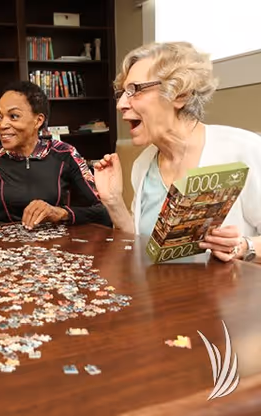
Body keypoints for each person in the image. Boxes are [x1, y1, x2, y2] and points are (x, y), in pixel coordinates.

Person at [93, 41, 261, 263]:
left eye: (134, 90)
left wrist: (244, 246)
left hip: (229, 296)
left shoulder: (244, 149)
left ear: (180, 94)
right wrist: (113, 201)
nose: (121, 104)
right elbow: (144, 247)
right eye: (122, 92)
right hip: (160, 295)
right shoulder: (143, 164)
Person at [0, 81, 112, 235]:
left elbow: (104, 213)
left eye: (13, 116)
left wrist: (60, 213)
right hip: (8, 250)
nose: (2, 125)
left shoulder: (66, 153)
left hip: (58, 248)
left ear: (38, 121)